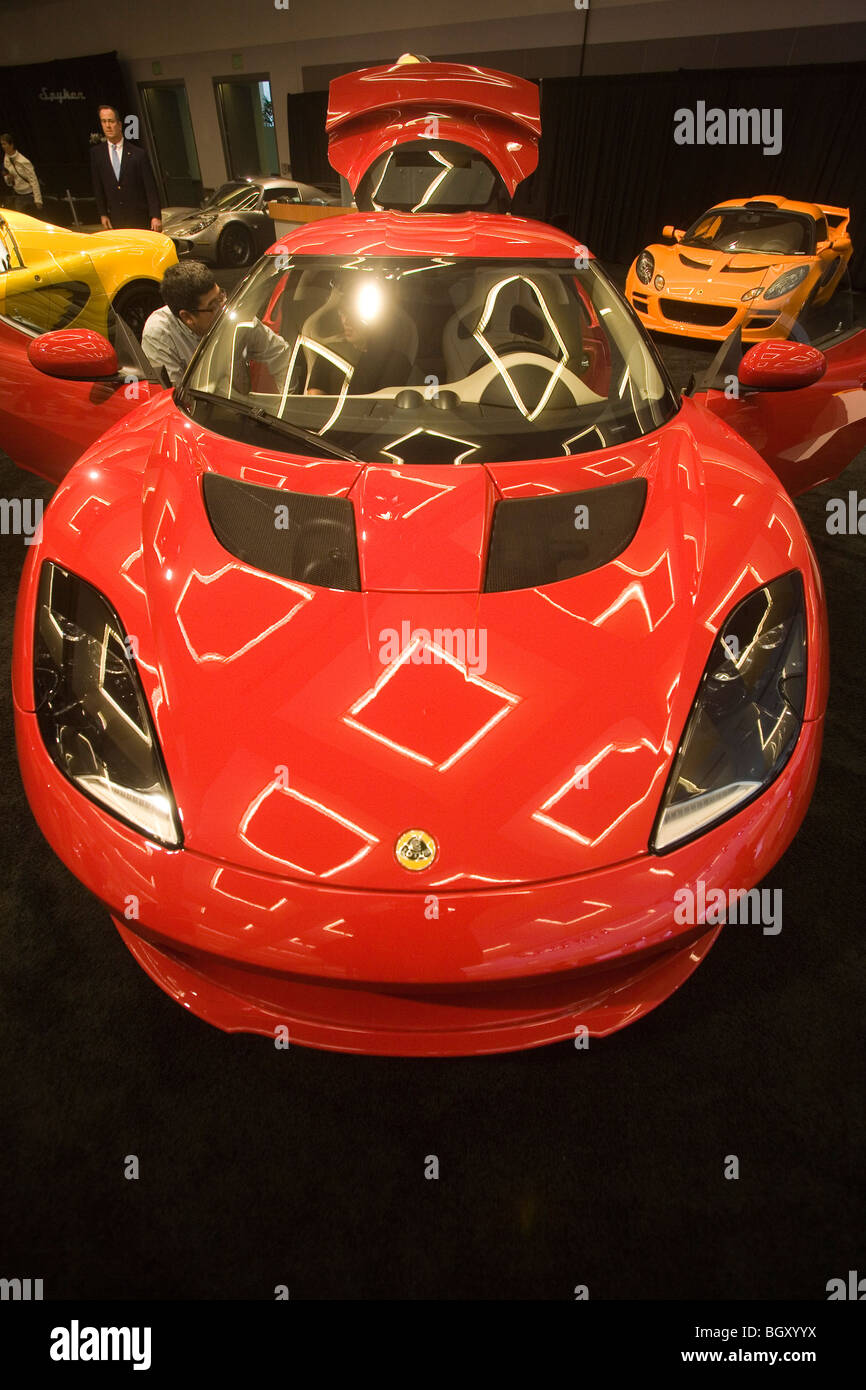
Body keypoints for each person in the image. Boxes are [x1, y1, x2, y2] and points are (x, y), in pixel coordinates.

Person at [141, 259, 291, 387]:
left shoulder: (234, 316)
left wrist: (288, 402)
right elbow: (174, 397)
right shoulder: (159, 333)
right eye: (213, 305)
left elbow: (280, 353)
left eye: (221, 296)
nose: (223, 307)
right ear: (187, 317)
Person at [307, 283, 410, 395]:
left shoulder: (395, 361)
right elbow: (314, 400)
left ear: (373, 316)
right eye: (342, 313)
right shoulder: (330, 354)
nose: (345, 321)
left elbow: (388, 404)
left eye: (352, 314)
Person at [90, 104, 161, 232]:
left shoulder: (138, 154)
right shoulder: (97, 154)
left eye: (111, 121)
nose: (108, 126)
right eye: (104, 121)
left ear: (119, 124)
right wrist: (103, 213)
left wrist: (155, 216)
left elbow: (150, 188)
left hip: (139, 218)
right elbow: (98, 186)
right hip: (116, 219)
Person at [1, 133, 43, 214]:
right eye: (2, 144)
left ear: (11, 145)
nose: (3, 146)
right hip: (17, 194)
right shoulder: (6, 158)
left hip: (29, 194)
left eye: (4, 144)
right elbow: (8, 179)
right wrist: (8, 179)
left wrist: (38, 200)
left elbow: (33, 180)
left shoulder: (23, 161)